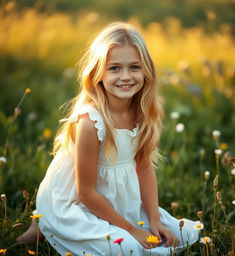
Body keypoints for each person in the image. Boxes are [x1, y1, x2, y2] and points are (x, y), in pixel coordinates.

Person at [17, 22, 199, 255]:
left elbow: (143, 167)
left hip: (119, 201)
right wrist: (132, 230)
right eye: (114, 68)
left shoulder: (144, 111)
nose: (126, 76)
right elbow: (86, 192)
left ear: (146, 71)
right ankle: (46, 223)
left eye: (134, 67)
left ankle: (48, 228)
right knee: (129, 247)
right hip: (78, 202)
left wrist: (155, 219)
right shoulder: (91, 123)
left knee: (178, 233)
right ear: (98, 73)